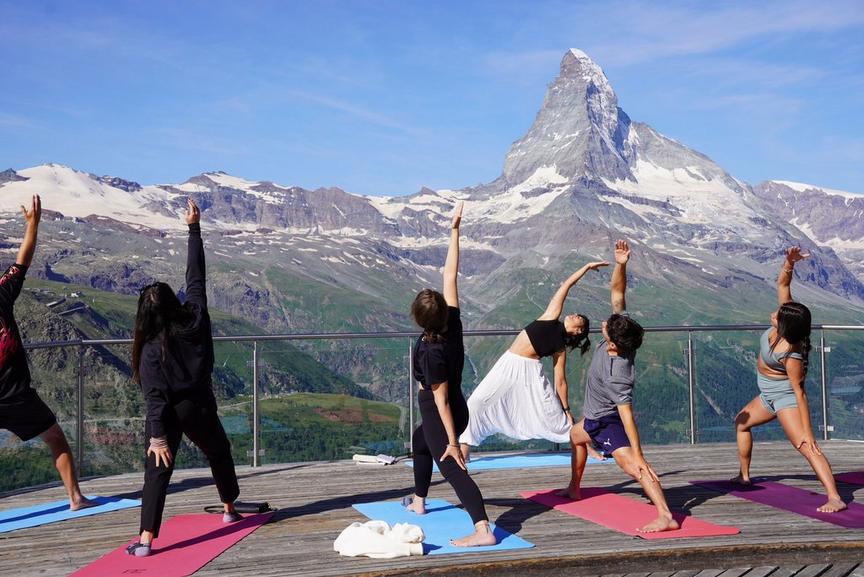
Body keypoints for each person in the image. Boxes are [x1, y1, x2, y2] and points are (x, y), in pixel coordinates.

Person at [126, 199, 242, 557]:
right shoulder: (195, 319)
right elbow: (196, 277)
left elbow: (155, 398)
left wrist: (158, 437)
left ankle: (146, 539)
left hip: (168, 412)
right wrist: (194, 228)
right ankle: (229, 509)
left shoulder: (150, 350)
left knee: (157, 470)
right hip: (199, 404)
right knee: (218, 452)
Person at [562, 239, 679, 533]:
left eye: (605, 327)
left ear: (612, 344)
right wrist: (621, 264)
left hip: (608, 422)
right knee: (575, 437)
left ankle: (665, 515)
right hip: (591, 420)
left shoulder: (618, 374)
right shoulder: (623, 331)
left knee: (633, 467)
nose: (604, 323)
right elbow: (617, 291)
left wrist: (638, 454)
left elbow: (627, 417)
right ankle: (574, 487)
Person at [403, 201, 495, 547]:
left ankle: (483, 529)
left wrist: (455, 442)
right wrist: (455, 230)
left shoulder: (431, 350)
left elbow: (438, 398)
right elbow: (450, 275)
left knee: (452, 466)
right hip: (458, 404)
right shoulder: (452, 323)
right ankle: (420, 502)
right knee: (419, 443)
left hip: (441, 412)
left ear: (418, 318)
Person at [731, 247, 846, 513]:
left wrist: (808, 430)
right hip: (766, 394)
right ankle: (744, 476)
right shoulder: (784, 324)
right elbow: (782, 284)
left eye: (779, 315)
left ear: (786, 326)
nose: (775, 313)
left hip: (785, 398)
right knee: (741, 423)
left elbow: (799, 392)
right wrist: (788, 263)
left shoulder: (791, 353)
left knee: (805, 446)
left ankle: (834, 497)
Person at [459, 260, 608, 461]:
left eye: (576, 318)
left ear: (578, 330)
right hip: (509, 364)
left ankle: (585, 444)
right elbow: (566, 285)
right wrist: (587, 267)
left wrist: (566, 410)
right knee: (476, 402)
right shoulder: (550, 316)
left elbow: (560, 381)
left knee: (553, 415)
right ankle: (465, 451)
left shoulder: (560, 348)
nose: (572, 315)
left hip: (530, 373)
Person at [0, 195, 94, 511]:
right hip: (17, 396)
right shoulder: (0, 294)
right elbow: (22, 262)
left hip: (18, 396)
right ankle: (75, 498)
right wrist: (33, 225)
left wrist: (32, 226)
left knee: (55, 436)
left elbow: (20, 262)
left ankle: (76, 497)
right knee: (55, 437)